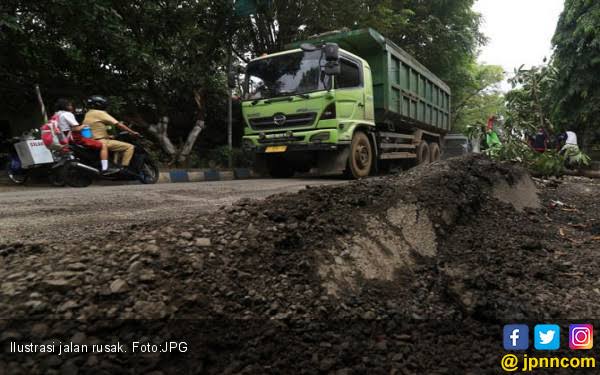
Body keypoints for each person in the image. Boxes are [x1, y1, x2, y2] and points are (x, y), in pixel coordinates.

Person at [53, 98, 117, 175]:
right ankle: (105, 168)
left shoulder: (56, 115)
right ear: (65, 106)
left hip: (63, 139)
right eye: (70, 105)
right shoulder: (67, 114)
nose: (72, 107)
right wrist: (83, 126)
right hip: (74, 138)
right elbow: (76, 128)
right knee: (103, 145)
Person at [83, 96, 139, 169]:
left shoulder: (88, 114)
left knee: (116, 147)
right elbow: (119, 124)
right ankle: (124, 168)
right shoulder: (100, 113)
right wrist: (132, 132)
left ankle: (115, 164)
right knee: (129, 147)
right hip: (101, 141)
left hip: (91, 140)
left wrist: (108, 136)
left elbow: (91, 129)